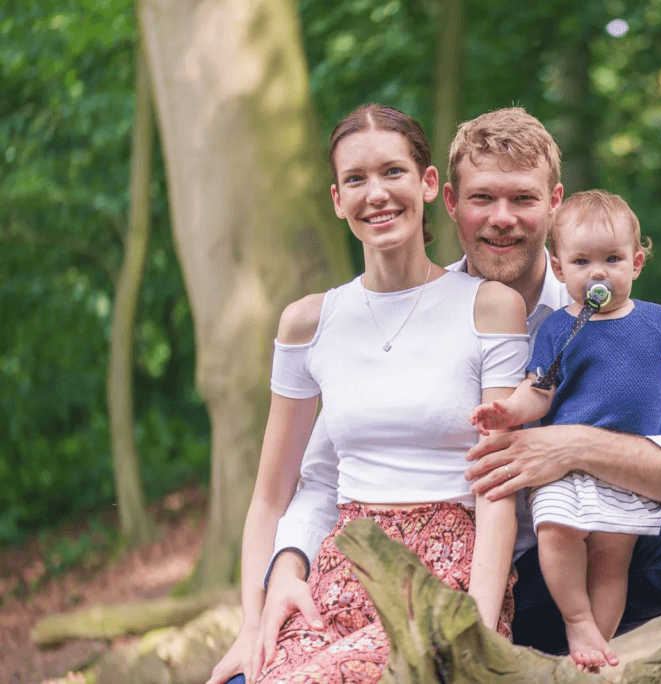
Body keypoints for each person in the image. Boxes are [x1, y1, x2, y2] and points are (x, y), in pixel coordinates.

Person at [209, 107, 661, 684]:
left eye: (523, 200)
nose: (502, 219)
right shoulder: (407, 312)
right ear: (450, 201)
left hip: (576, 572)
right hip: (437, 576)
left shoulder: (619, 316)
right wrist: (285, 568)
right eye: (483, 199)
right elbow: (323, 479)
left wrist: (574, 446)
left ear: (555, 203)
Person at [214, 103, 529, 684]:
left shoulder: (487, 306)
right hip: (338, 569)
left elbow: (496, 489)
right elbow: (270, 496)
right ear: (337, 200)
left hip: (444, 576)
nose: (376, 193)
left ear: (429, 184)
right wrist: (250, 626)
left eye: (393, 172)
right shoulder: (308, 323)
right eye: (355, 179)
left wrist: (479, 630)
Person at [469, 189, 661, 671]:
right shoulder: (558, 328)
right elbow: (539, 389)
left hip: (628, 470)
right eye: (582, 261)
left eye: (612, 259)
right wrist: (507, 412)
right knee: (556, 535)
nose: (598, 273)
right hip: (563, 473)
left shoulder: (658, 322)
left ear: (636, 263)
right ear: (560, 267)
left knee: (613, 560)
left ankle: (595, 640)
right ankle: (576, 618)